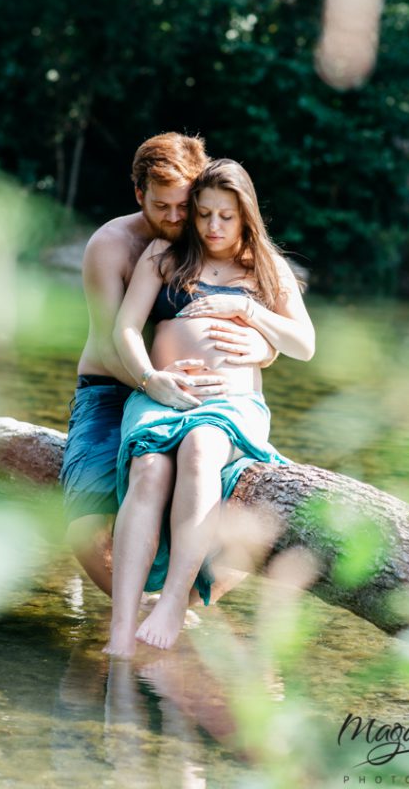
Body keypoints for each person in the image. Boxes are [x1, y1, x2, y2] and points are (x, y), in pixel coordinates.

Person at [105, 159, 315, 657]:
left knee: (201, 450)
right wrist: (152, 379)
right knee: (151, 468)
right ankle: (120, 624)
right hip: (162, 397)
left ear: (246, 215)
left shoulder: (264, 266)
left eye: (225, 216)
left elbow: (304, 344)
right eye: (203, 215)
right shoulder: (164, 254)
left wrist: (248, 310)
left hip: (230, 403)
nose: (213, 227)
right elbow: (126, 329)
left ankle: (174, 601)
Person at [61, 134, 277, 596]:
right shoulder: (112, 246)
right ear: (139, 194)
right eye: (163, 206)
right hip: (113, 387)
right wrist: (151, 382)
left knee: (249, 510)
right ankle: (134, 608)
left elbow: (262, 312)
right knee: (83, 521)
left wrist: (265, 349)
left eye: (185, 205)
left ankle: (190, 610)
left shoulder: (216, 237)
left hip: (200, 399)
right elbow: (107, 341)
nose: (177, 218)